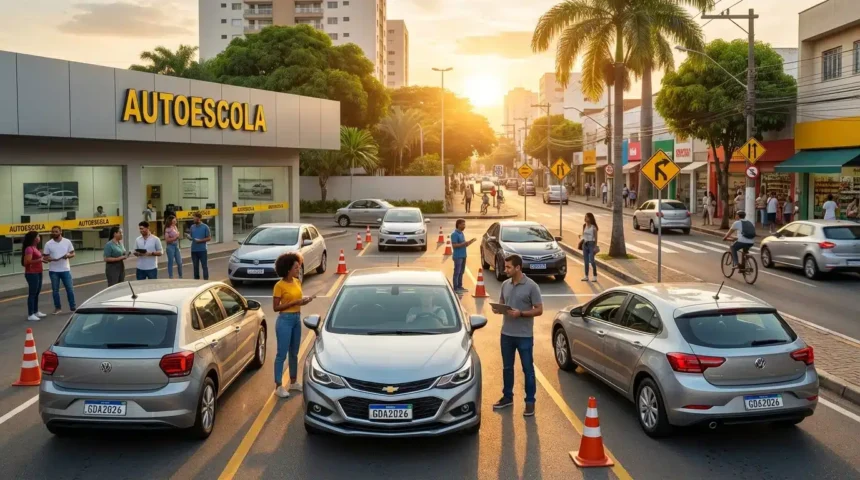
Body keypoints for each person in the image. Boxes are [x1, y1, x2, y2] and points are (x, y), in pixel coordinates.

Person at [493, 254, 543, 417]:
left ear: (518, 268)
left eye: (508, 267)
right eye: (505, 266)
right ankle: (507, 397)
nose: (504, 269)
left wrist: (521, 313)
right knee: (507, 368)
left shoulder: (531, 286)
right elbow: (502, 302)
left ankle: (530, 402)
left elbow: (539, 309)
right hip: (506, 334)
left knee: (528, 370)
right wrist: (497, 309)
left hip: (524, 336)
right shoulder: (505, 284)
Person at [272, 252, 315, 398]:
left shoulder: (297, 282)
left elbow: (298, 298)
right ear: (287, 269)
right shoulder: (279, 285)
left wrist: (305, 300)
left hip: (297, 319)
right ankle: (278, 386)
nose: (298, 269)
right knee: (281, 354)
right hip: (285, 320)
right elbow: (276, 307)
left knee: (294, 353)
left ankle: (293, 381)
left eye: (299, 267)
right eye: (296, 267)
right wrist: (295, 303)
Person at [21, 231, 47, 321]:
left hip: (39, 272)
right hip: (32, 273)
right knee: (32, 293)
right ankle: (30, 314)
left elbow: (38, 259)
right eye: (38, 236)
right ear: (34, 238)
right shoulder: (29, 249)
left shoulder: (35, 247)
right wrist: (40, 259)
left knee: (37, 292)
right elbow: (26, 262)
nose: (39, 237)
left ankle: (36, 311)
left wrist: (42, 259)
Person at [450, 219, 476, 294]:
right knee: (457, 272)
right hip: (458, 256)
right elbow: (454, 245)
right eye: (463, 224)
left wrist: (470, 242)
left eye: (464, 224)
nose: (464, 226)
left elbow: (465, 244)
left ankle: (460, 286)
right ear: (458, 225)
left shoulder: (461, 233)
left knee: (461, 272)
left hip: (463, 255)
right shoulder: (454, 234)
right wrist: (464, 243)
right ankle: (455, 288)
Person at [186, 212, 212, 280]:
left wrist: (200, 241)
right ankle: (196, 281)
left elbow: (209, 238)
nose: (193, 219)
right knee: (195, 267)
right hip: (194, 250)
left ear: (199, 218)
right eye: (193, 217)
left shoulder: (205, 227)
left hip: (202, 250)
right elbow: (191, 237)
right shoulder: (192, 227)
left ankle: (206, 281)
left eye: (194, 217)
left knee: (204, 266)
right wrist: (189, 237)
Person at [581, 212, 599, 282]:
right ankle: (586, 276)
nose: (585, 218)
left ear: (590, 218)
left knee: (592, 260)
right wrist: (581, 237)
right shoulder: (584, 225)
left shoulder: (593, 227)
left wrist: (595, 246)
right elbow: (583, 235)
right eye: (585, 217)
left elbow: (596, 237)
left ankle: (595, 276)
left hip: (591, 244)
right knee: (586, 261)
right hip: (585, 244)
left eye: (587, 217)